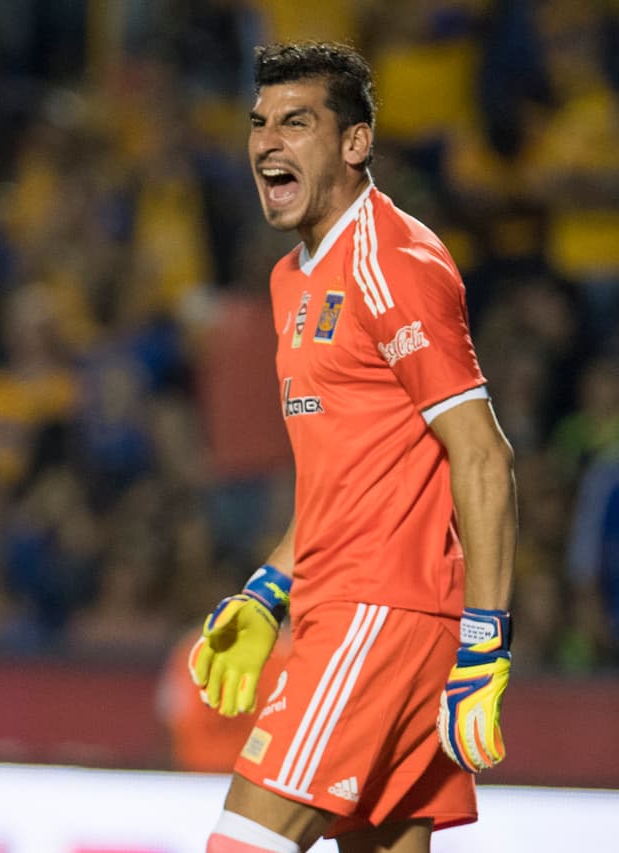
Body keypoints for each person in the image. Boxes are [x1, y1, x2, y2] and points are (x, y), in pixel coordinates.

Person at [190, 43, 517, 852]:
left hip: (380, 614)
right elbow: (351, 475)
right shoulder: (290, 278)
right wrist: (270, 590)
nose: (268, 141)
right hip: (349, 606)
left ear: (355, 143)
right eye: (259, 123)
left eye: (297, 123)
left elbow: (483, 454)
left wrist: (487, 641)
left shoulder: (392, 261)